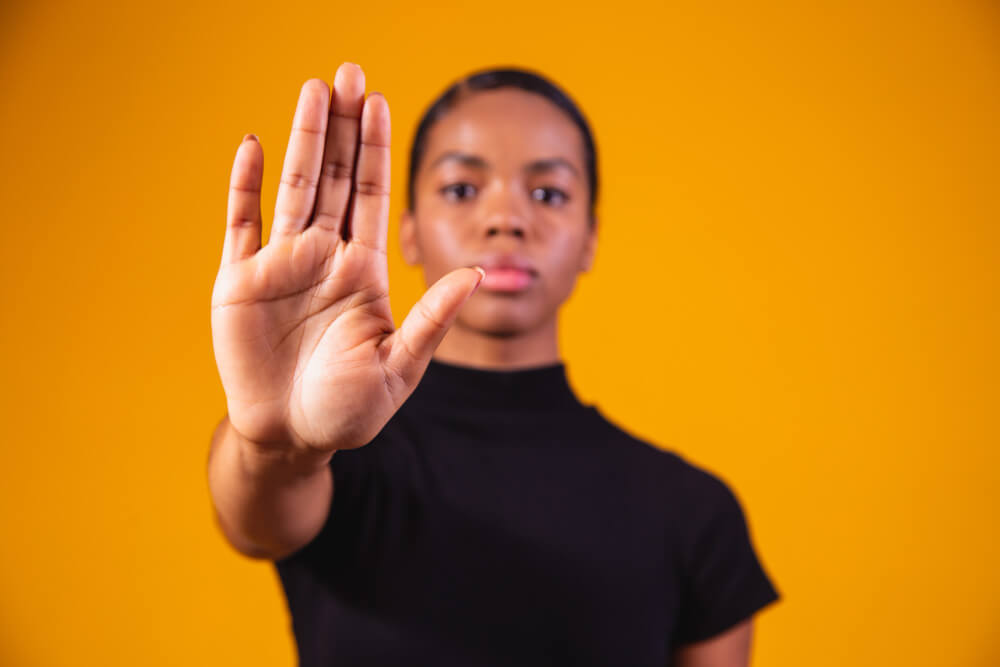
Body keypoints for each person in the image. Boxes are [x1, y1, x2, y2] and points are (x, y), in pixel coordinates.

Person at [207, 62, 780, 666]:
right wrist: (280, 442)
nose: (506, 219)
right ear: (408, 233)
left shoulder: (692, 512)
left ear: (590, 238)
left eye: (547, 193)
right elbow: (257, 516)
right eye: (461, 189)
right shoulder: (334, 459)